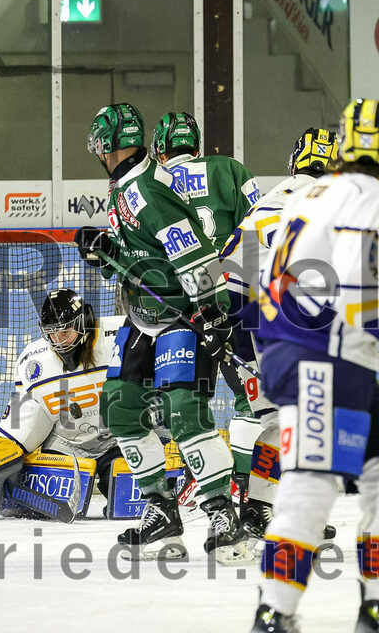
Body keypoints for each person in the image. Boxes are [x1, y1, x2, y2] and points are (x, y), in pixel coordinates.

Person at [74, 102, 250, 562]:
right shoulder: (124, 186)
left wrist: (210, 311)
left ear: (106, 145)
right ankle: (161, 509)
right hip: (142, 315)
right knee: (120, 408)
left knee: (184, 412)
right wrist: (105, 251)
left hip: (182, 314)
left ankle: (223, 517)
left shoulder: (147, 187)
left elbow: (192, 250)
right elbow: (140, 256)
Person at [250, 99, 379, 632]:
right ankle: (275, 613)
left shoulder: (307, 194)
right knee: (311, 485)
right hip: (333, 355)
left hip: (298, 350)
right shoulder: (368, 197)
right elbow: (359, 292)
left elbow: (251, 275)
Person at [218, 128, 339, 539]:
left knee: (278, 418)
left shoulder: (271, 198)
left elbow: (231, 262)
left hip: (242, 313)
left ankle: (259, 509)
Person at [150, 111, 265, 535]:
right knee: (252, 402)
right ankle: (251, 496)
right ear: (196, 144)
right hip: (233, 298)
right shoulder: (231, 169)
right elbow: (257, 230)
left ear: (160, 150)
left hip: (183, 308)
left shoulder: (155, 182)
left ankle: (195, 483)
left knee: (187, 403)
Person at [0, 289, 124, 500]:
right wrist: (4, 448)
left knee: (126, 497)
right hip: (65, 446)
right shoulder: (33, 361)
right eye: (52, 333)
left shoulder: (120, 336)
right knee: (44, 502)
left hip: (117, 441)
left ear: (83, 323)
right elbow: (25, 416)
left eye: (65, 331)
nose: (58, 340)